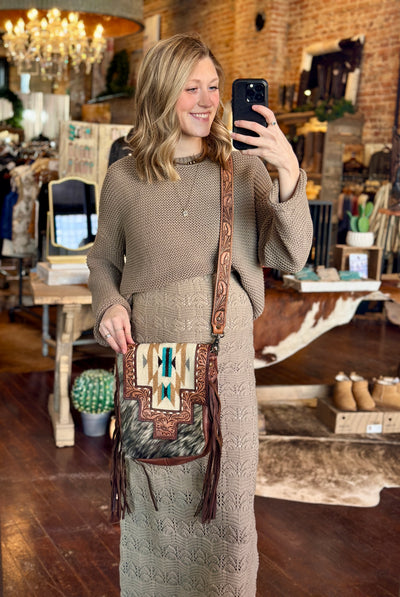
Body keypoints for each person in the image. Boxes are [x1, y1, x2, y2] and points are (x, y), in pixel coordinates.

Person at [87, 33, 313, 597]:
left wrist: (288, 170)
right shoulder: (125, 179)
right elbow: (102, 260)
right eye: (192, 87)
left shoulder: (245, 170)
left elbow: (291, 253)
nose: (207, 100)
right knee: (159, 501)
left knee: (228, 508)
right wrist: (109, 303)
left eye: (214, 86)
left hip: (226, 365)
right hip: (156, 365)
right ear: (163, 92)